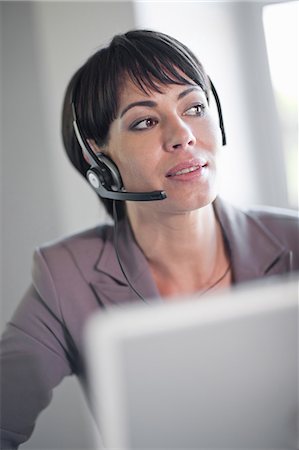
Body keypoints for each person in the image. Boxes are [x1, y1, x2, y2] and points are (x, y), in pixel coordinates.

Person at [1, 29, 298, 449]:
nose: (182, 135)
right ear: (99, 160)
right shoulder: (67, 278)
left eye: (194, 107)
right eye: (144, 121)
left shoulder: (294, 242)